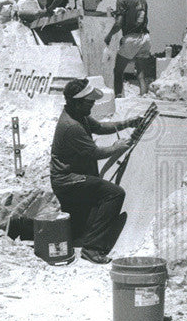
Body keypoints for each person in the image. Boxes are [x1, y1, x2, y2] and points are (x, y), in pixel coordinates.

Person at [50, 78, 139, 264]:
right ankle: (93, 248)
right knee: (114, 194)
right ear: (77, 102)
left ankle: (83, 238)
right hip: (68, 181)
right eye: (89, 102)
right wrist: (117, 147)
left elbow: (99, 127)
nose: (92, 105)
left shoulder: (77, 114)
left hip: (71, 177)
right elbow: (95, 153)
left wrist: (127, 123)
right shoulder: (72, 126)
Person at [104, 0, 152, 97]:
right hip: (145, 38)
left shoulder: (122, 0)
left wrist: (109, 36)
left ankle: (119, 98)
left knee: (118, 71)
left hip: (131, 38)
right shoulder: (143, 0)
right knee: (141, 75)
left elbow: (119, 23)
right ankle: (143, 98)